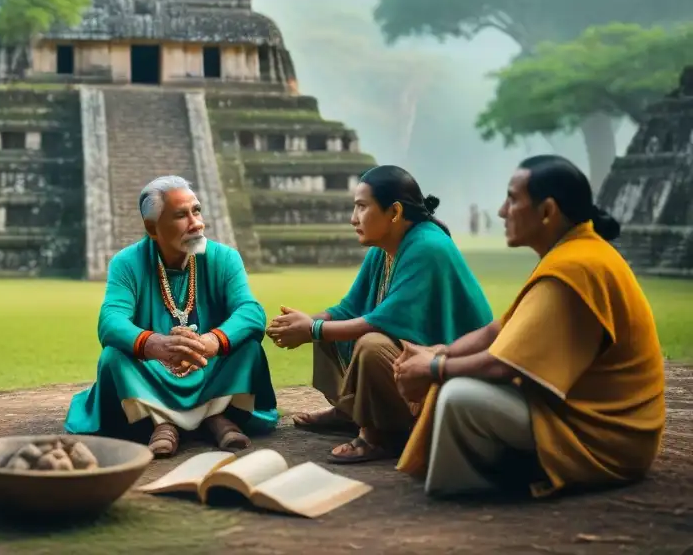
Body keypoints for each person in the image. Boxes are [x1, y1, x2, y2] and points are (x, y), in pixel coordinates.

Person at [394, 155, 666, 499]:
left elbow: (503, 365)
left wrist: (434, 367)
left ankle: (473, 490)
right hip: (601, 424)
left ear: (548, 211)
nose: (502, 211)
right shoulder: (572, 252)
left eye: (513, 199)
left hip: (608, 440)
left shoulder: (576, 266)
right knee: (457, 381)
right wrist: (442, 351)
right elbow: (500, 329)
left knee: (459, 395)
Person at [268, 165, 493, 464]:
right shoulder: (385, 247)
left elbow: (379, 322)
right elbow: (348, 309)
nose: (353, 219)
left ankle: (379, 435)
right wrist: (303, 324)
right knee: (328, 324)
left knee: (370, 345)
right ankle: (350, 411)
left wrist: (312, 329)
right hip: (416, 363)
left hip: (448, 380)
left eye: (362, 207)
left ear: (395, 212)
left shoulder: (428, 247)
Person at [64, 175, 278, 458]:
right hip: (153, 371)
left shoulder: (225, 258)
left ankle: (214, 415)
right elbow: (110, 321)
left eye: (197, 211)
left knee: (249, 349)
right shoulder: (127, 263)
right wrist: (156, 346)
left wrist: (210, 343)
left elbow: (251, 312)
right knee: (113, 358)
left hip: (209, 366)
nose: (196, 223)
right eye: (181, 215)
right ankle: (165, 421)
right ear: (153, 228)